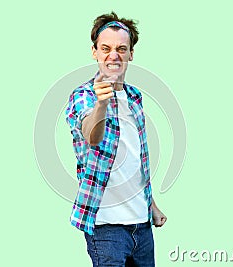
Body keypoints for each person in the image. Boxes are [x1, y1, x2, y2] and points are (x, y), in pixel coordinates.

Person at [65, 11, 167, 266]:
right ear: (95, 52)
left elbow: (135, 160)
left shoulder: (134, 98)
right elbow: (92, 137)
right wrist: (102, 104)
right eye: (106, 48)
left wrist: (151, 204)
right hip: (106, 228)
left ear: (131, 54)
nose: (114, 55)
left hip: (142, 227)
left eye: (122, 48)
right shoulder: (83, 96)